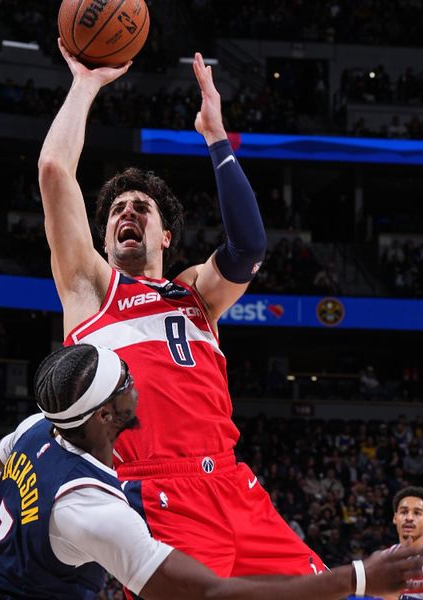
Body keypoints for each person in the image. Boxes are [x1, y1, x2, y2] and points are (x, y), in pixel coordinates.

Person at [37, 39, 318, 577]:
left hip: (234, 484)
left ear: (164, 235)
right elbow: (54, 169)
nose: (128, 212)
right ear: (103, 234)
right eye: (118, 208)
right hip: (156, 490)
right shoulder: (91, 289)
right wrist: (86, 83)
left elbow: (249, 248)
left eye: (141, 207)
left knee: (329, 593)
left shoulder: (195, 295)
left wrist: (216, 139)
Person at [0, 344, 423, 600]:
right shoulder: (92, 508)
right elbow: (210, 594)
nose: (135, 379)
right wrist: (358, 578)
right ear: (105, 416)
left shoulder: (34, 429)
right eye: (125, 380)